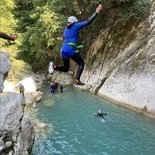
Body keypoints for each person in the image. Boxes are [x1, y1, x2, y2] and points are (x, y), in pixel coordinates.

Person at [53, 4, 103, 85]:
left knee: (66, 68)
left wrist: (59, 38)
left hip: (63, 50)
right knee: (81, 63)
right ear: (74, 22)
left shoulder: (66, 29)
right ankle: (77, 80)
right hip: (70, 50)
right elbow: (88, 21)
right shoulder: (75, 26)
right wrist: (96, 12)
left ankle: (54, 67)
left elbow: (63, 39)